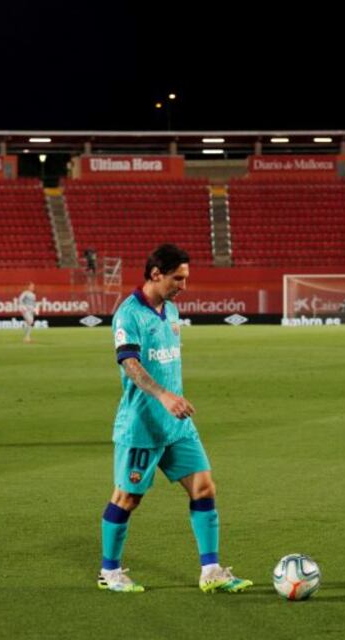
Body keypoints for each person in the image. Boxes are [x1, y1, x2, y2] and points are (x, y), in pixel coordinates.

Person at [97, 243, 252, 594]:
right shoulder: (128, 314)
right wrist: (164, 396)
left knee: (204, 488)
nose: (184, 285)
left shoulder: (171, 311)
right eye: (177, 278)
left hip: (177, 424)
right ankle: (109, 572)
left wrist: (173, 400)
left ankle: (211, 570)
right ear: (155, 274)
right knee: (127, 498)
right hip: (142, 425)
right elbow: (130, 365)